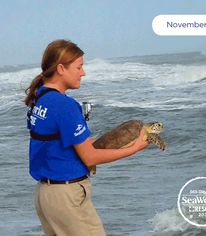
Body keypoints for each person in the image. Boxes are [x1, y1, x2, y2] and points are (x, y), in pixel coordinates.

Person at [24, 39, 149, 236]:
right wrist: (135, 148)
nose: (83, 72)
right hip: (66, 196)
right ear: (61, 69)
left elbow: (57, 143)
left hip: (45, 195)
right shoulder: (65, 105)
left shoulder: (39, 99)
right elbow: (89, 157)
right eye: (79, 67)